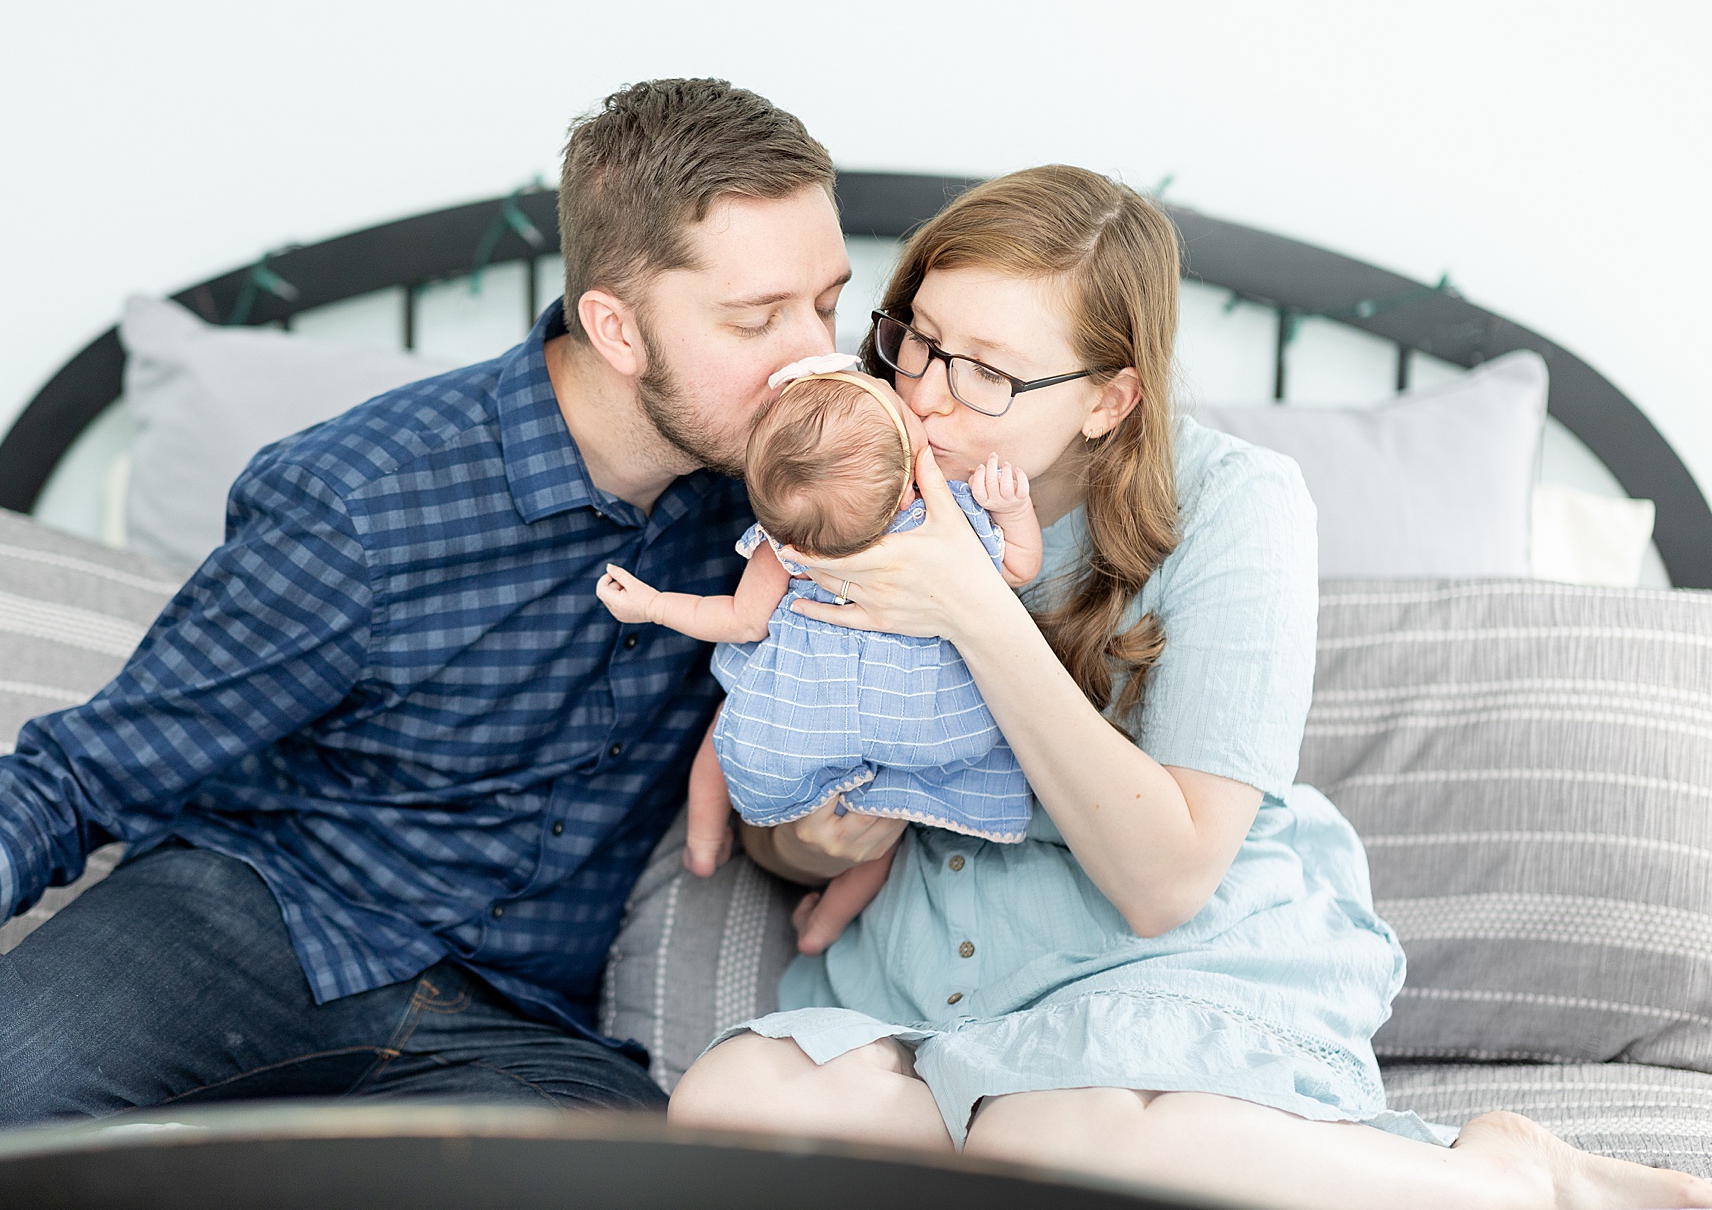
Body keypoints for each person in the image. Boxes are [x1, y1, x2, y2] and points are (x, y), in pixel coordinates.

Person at [0, 78, 852, 1157]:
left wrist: (824, 830)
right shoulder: (361, 501)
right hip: (256, 917)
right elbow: (87, 769)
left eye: (828, 302)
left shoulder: (803, 490)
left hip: (509, 1022)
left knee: (637, 1182)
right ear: (615, 328)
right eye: (755, 317)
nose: (815, 355)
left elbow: (855, 743)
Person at [667, 165, 1712, 1210]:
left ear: (1108, 398)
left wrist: (974, 613)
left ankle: (1504, 1177)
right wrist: (816, 836)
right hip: (929, 962)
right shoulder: (840, 466)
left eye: (987, 371)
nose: (925, 395)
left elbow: (1163, 879)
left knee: (1055, 1130)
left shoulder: (1234, 504)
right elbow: (779, 796)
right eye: (917, 338)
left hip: (1154, 949)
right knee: (730, 1107)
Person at [597, 354, 1040, 953]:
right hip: (907, 718)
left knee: (726, 735)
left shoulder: (785, 548)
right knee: (884, 832)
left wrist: (652, 606)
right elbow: (1015, 569)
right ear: (912, 480)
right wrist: (1012, 510)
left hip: (796, 709)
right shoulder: (943, 522)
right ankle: (821, 929)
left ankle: (702, 842)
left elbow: (740, 621)